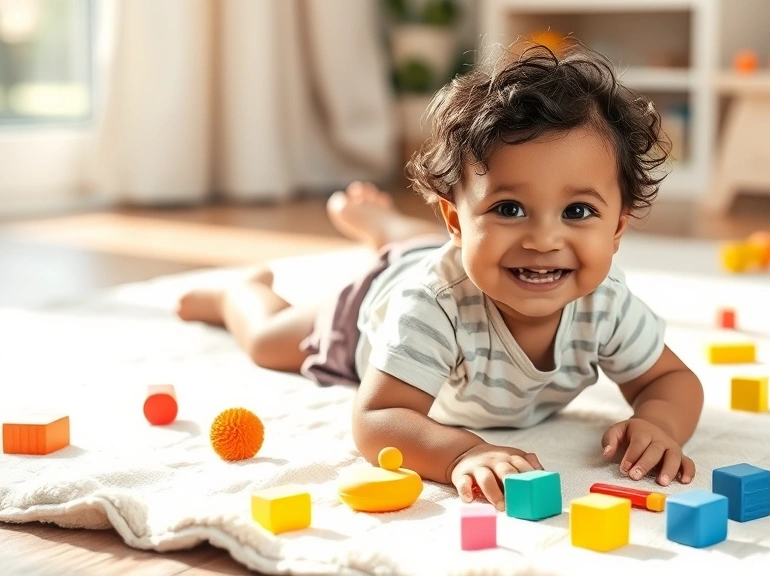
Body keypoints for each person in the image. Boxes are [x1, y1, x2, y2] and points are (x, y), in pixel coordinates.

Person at [176, 42, 704, 511]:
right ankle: (241, 295)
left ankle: (386, 227)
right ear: (457, 219)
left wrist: (659, 424)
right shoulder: (431, 308)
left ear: (617, 227)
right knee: (271, 341)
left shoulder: (605, 303)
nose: (545, 240)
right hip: (372, 306)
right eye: (510, 209)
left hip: (445, 252)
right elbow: (378, 418)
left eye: (578, 213)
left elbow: (670, 381)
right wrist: (462, 450)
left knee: (426, 247)